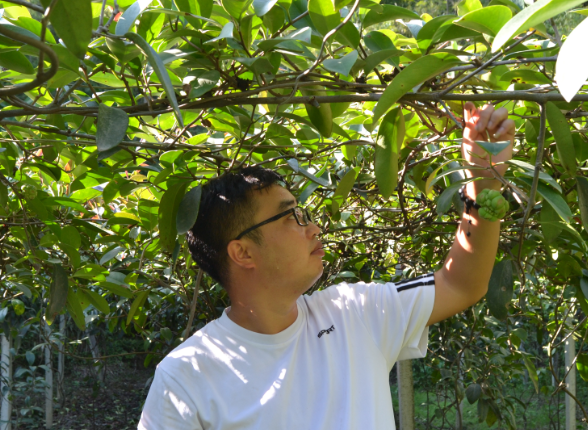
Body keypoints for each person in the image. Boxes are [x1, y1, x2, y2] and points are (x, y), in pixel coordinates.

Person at [138, 102, 515, 429]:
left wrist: (482, 182)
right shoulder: (185, 378)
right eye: (290, 218)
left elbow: (463, 283)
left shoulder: (355, 314)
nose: (313, 227)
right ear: (243, 253)